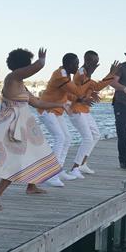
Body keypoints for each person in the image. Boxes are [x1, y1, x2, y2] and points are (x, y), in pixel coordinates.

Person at [0, 48, 66, 210]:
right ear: (22, 65)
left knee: (38, 153)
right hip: (11, 128)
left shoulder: (22, 85)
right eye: (27, 65)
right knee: (14, 162)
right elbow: (34, 68)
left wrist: (60, 105)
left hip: (24, 127)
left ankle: (31, 186)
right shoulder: (12, 78)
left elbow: (38, 103)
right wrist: (41, 61)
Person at [37, 52, 90, 185]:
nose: (77, 67)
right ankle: (51, 174)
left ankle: (58, 170)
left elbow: (69, 94)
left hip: (56, 110)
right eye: (76, 64)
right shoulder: (61, 75)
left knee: (67, 138)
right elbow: (76, 90)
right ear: (68, 64)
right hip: (47, 109)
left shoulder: (66, 75)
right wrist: (84, 91)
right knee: (60, 138)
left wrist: (80, 99)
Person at [67, 51, 118, 176]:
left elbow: (91, 87)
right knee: (88, 138)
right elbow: (95, 86)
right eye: (95, 62)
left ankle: (82, 164)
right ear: (88, 61)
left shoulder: (86, 74)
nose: (97, 64)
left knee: (96, 135)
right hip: (76, 109)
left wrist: (91, 91)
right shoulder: (81, 73)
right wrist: (111, 74)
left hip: (84, 109)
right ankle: (75, 168)